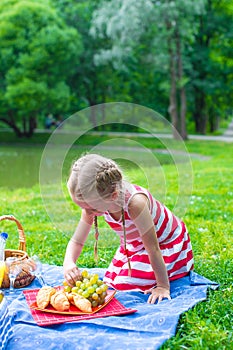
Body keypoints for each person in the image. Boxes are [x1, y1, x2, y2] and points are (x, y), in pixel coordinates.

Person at [63, 153, 194, 304]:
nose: (88, 212)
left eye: (91, 208)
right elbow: (77, 241)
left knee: (124, 284)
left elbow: (153, 248)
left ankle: (168, 272)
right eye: (83, 207)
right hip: (135, 246)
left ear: (113, 196)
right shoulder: (91, 205)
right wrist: (69, 263)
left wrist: (162, 286)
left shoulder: (136, 204)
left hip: (166, 244)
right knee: (111, 282)